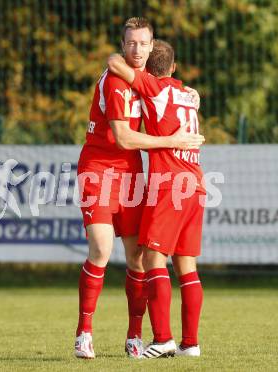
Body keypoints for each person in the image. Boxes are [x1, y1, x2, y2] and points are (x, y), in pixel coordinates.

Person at [74, 18, 205, 359]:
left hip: (132, 173)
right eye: (131, 43)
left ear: (151, 46)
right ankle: (84, 333)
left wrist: (193, 93)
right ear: (124, 44)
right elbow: (123, 137)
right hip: (100, 171)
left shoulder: (149, 84)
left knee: (138, 258)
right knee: (102, 249)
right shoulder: (118, 82)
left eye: (143, 43)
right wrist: (172, 139)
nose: (137, 49)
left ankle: (135, 335)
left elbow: (170, 92)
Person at [108, 39, 206, 358]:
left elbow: (114, 64)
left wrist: (134, 63)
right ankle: (190, 344)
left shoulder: (153, 87)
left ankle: (162, 338)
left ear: (148, 66)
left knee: (151, 258)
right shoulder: (187, 95)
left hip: (169, 184)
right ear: (175, 68)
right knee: (186, 265)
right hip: (196, 182)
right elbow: (191, 98)